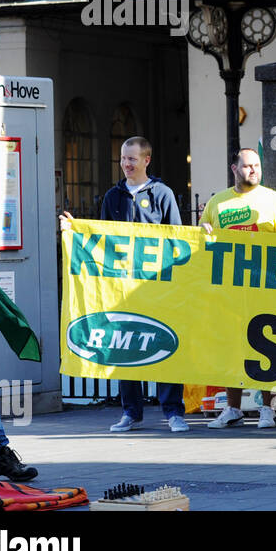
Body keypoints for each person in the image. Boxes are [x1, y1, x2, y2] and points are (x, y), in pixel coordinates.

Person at [62, 136, 188, 433]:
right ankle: (131, 412)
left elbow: (178, 239)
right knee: (126, 349)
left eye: (132, 159)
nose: (126, 164)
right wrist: (74, 230)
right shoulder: (112, 197)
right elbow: (101, 238)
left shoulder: (163, 194)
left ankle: (173, 411)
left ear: (147, 160)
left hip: (158, 286)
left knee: (166, 348)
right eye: (122, 158)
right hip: (123, 288)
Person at [201, 148, 276, 429]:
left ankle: (267, 408)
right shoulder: (217, 202)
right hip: (228, 289)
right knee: (230, 347)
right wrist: (205, 232)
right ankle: (232, 408)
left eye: (257, 165)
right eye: (247, 166)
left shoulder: (274, 200)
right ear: (234, 169)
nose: (253, 170)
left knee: (265, 347)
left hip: (264, 287)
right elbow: (202, 239)